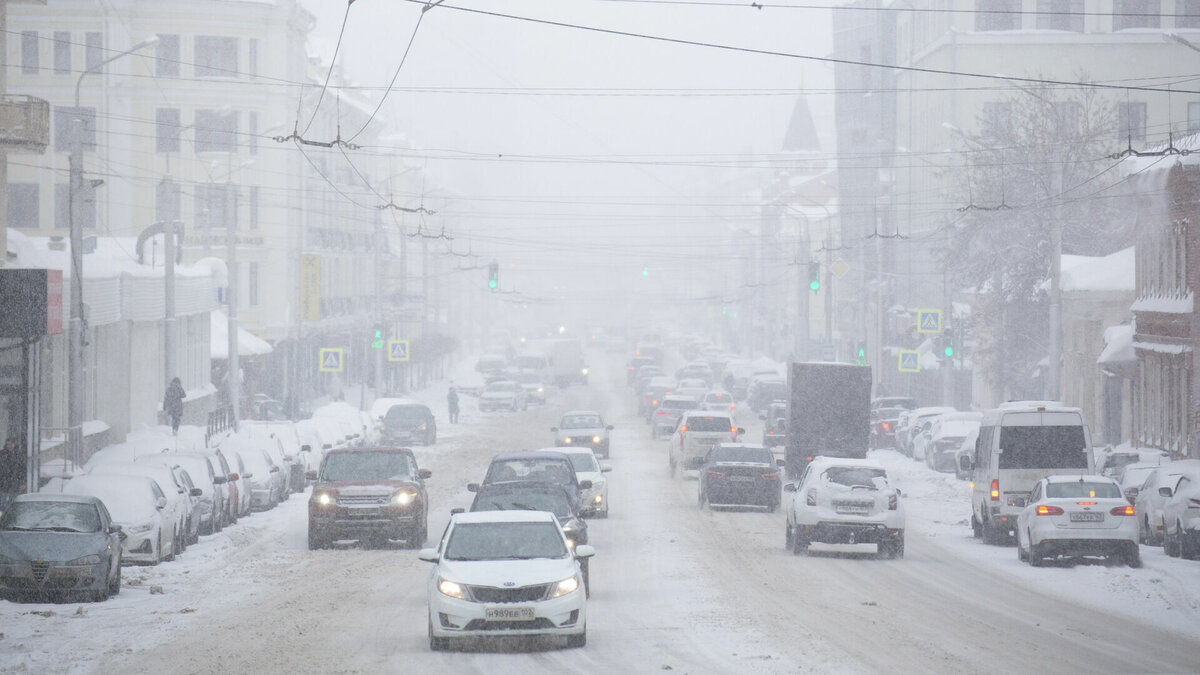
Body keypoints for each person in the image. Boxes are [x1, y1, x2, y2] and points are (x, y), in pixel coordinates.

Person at [0, 438, 23, 512]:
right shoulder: (2, 454)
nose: (10, 446)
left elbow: (22, 469)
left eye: (11, 444)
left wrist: (22, 482)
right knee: (2, 503)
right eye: (8, 444)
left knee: (13, 504)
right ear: (6, 445)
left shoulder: (18, 455)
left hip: (15, 483)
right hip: (3, 483)